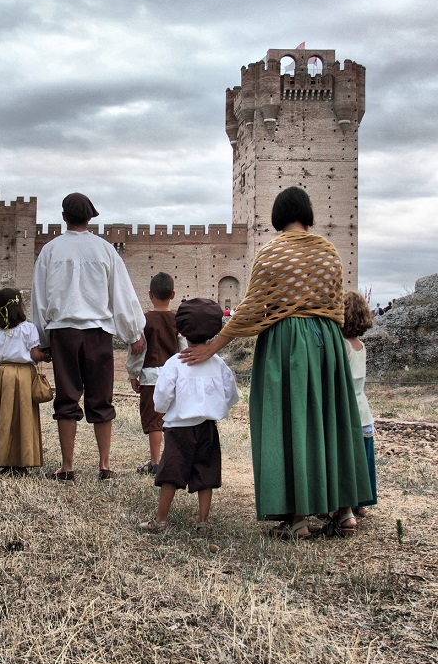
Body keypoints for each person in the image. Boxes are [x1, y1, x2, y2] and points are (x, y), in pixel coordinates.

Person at [180, 186, 372, 539]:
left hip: (286, 342)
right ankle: (345, 512)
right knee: (330, 418)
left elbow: (251, 309)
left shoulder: (272, 254)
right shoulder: (330, 253)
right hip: (328, 342)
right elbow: (334, 306)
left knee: (290, 421)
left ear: (278, 216)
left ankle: (298, 519)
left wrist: (213, 347)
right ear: (308, 212)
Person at [31, 192, 145, 482]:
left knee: (67, 397)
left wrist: (44, 341)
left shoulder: (50, 250)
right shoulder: (105, 250)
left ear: (64, 217)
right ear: (91, 218)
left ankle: (67, 466)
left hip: (63, 332)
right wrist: (133, 333)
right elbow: (121, 293)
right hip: (98, 334)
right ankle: (104, 465)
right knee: (101, 397)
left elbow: (40, 300)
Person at [139, 298, 239, 533]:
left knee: (171, 472)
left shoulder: (175, 363)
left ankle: (161, 520)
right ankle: (203, 522)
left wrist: (164, 410)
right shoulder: (219, 363)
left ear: (181, 329)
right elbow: (231, 393)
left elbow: (162, 396)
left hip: (178, 428)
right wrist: (217, 406)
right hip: (207, 427)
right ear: (215, 329)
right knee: (206, 472)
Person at [0, 288, 48, 476]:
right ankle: (22, 462)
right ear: (19, 305)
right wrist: (45, 356)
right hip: (24, 374)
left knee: (4, 417)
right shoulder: (28, 328)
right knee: (23, 417)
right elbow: (34, 354)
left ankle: (4, 459)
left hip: (3, 373)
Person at [126, 272, 185, 475]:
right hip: (173, 377)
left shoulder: (144, 320)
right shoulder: (178, 320)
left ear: (150, 295)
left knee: (154, 420)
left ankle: (155, 462)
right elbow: (183, 348)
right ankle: (172, 459)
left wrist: (133, 374)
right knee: (171, 418)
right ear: (173, 294)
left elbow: (137, 350)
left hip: (150, 377)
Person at [342, 291, 377, 519]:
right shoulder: (360, 346)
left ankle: (348, 506)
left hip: (349, 411)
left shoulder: (342, 345)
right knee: (365, 461)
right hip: (364, 410)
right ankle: (362, 504)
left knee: (350, 461)